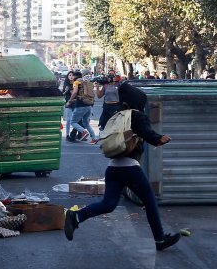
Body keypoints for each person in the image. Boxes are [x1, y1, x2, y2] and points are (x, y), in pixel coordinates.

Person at [64, 82, 181, 251]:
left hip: (113, 168)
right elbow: (147, 133)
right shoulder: (136, 115)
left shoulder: (115, 116)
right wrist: (159, 138)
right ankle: (160, 239)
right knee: (150, 201)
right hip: (130, 168)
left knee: (108, 204)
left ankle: (76, 217)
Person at [66, 70, 98, 144]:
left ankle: (83, 132)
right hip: (88, 105)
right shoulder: (87, 82)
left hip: (80, 105)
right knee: (86, 123)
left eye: (73, 75)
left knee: (73, 122)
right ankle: (94, 138)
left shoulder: (76, 82)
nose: (72, 77)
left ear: (75, 76)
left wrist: (69, 101)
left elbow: (74, 93)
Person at [62, 71, 76, 142]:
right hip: (68, 104)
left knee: (76, 120)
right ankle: (67, 135)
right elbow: (62, 94)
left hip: (76, 104)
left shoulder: (76, 84)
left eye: (72, 75)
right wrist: (65, 91)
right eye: (69, 75)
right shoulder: (66, 84)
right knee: (69, 120)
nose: (71, 76)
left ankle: (75, 134)